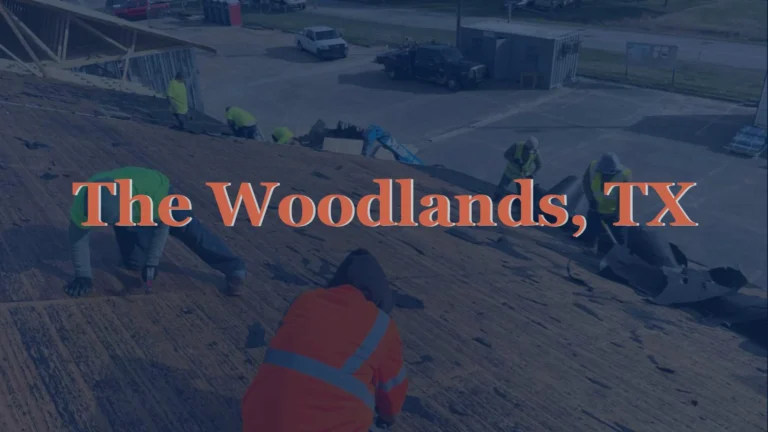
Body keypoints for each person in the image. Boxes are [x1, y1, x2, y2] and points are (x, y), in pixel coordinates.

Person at [242, 249, 408, 432]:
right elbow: (392, 395)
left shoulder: (305, 301)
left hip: (256, 423)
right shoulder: (382, 325)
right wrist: (386, 419)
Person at [66, 167, 247, 297]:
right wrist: (83, 276)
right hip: (128, 209)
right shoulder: (83, 202)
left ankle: (234, 267)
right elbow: (78, 239)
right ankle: (132, 241)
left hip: (160, 194)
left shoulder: (148, 197)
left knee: (189, 230)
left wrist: (152, 262)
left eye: (111, 221)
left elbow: (163, 226)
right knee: (134, 263)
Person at [581, 152, 633, 248]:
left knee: (618, 238)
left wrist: (615, 215)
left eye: (608, 175)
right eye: (604, 175)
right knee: (590, 233)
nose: (606, 177)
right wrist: (591, 200)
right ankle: (587, 249)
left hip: (613, 212)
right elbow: (586, 184)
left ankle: (613, 253)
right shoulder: (593, 168)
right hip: (595, 208)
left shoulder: (624, 176)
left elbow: (624, 201)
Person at [493, 136, 542, 201]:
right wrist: (514, 160)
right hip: (510, 172)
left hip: (522, 176)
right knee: (502, 188)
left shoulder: (535, 152)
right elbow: (506, 155)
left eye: (531, 149)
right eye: (528, 149)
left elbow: (539, 165)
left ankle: (521, 205)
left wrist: (533, 174)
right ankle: (496, 200)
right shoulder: (517, 146)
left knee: (523, 193)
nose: (529, 151)